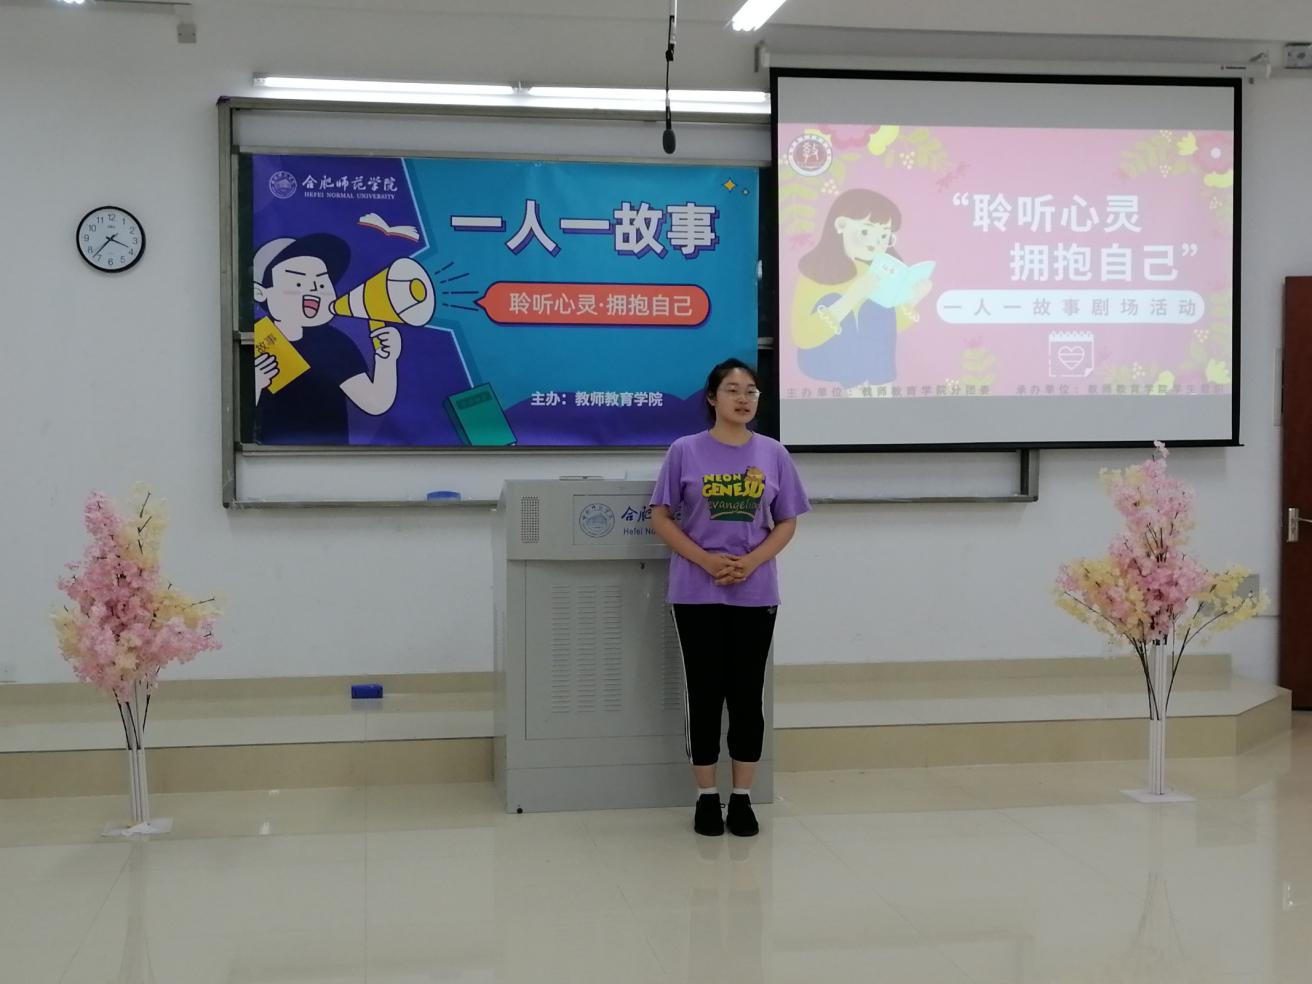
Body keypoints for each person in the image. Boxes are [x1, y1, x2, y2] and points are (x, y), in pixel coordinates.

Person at [649, 359, 811, 837]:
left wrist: (752, 561)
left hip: (754, 591)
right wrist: (705, 560)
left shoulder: (773, 453)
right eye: (733, 390)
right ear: (712, 398)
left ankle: (741, 797)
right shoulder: (684, 450)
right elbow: (661, 517)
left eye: (751, 391)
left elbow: (787, 520)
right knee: (704, 693)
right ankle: (705, 796)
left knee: (746, 695)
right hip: (695, 591)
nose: (743, 399)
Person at [252, 233, 403, 444]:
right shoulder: (254, 336)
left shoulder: (334, 343)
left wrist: (387, 359)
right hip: (269, 455)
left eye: (322, 284)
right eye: (298, 283)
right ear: (260, 293)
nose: (314, 290)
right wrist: (255, 383)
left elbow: (375, 402)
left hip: (330, 455)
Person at [790, 188, 931, 390]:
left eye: (884, 235)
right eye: (865, 231)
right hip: (821, 360)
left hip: (866, 361)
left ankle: (883, 389)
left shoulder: (870, 271)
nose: (876, 243)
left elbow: (885, 328)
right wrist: (851, 297)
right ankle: (855, 392)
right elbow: (802, 336)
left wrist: (913, 299)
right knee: (831, 300)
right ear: (840, 225)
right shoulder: (815, 273)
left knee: (877, 306)